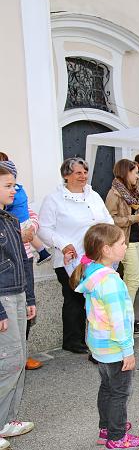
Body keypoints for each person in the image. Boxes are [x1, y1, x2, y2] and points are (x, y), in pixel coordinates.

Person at [70, 223, 139, 449]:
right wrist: (128, 351)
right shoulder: (111, 282)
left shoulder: (92, 272)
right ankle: (117, 437)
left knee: (107, 387)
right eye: (122, 243)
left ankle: (107, 428)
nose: (126, 246)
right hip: (114, 348)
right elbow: (119, 321)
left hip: (100, 345)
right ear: (106, 249)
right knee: (119, 393)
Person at [38, 157, 114, 353]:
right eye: (78, 173)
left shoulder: (93, 195)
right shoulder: (54, 199)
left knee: (97, 299)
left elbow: (108, 221)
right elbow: (44, 229)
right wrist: (63, 244)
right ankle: (73, 341)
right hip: (70, 260)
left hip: (96, 258)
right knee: (75, 299)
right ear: (66, 175)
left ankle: (96, 337)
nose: (83, 176)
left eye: (85, 172)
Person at [0, 164, 36, 447]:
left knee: (18, 358)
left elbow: (23, 260)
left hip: (18, 295)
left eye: (14, 184)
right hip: (2, 299)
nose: (15, 190)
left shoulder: (10, 220)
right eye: (8, 185)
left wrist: (30, 298)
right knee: (8, 361)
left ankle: (8, 420)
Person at [105, 159, 139, 334]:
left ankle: (126, 318)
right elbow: (110, 220)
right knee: (133, 280)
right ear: (126, 173)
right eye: (134, 173)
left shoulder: (129, 192)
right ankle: (125, 321)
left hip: (134, 237)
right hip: (123, 240)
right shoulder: (114, 193)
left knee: (131, 281)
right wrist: (134, 219)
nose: (136, 176)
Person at [0, 160, 51, 265]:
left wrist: (31, 228)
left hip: (25, 256)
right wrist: (19, 236)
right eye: (8, 186)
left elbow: (33, 216)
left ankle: (42, 251)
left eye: (13, 186)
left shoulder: (13, 201)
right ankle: (42, 251)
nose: (13, 190)